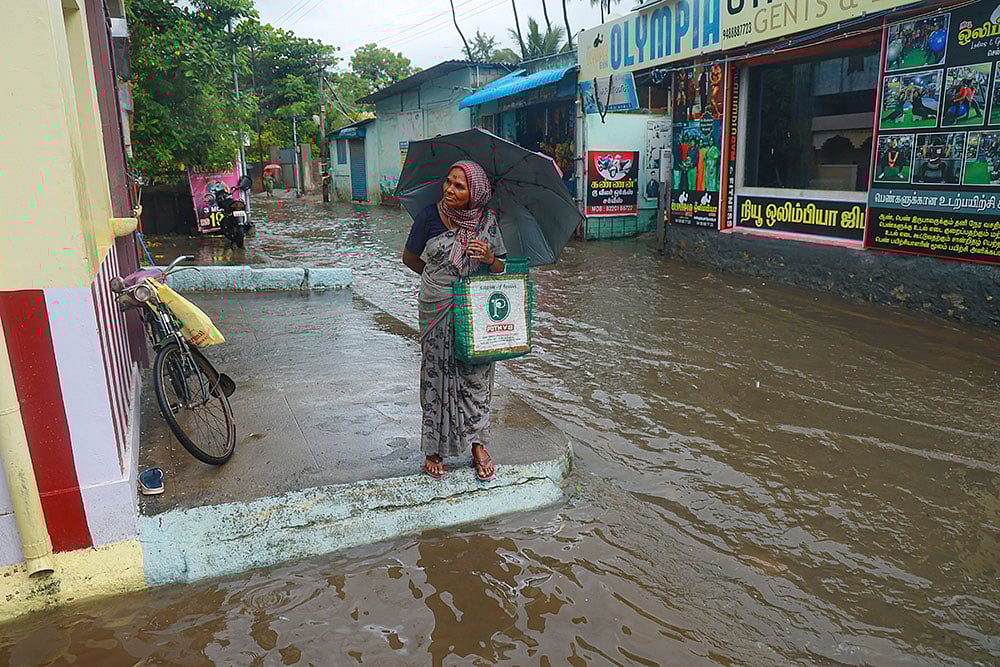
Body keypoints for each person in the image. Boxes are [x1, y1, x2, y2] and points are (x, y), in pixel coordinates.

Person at [401, 160, 507, 482]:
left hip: (472, 307)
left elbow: (501, 268)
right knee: (436, 376)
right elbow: (409, 258)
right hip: (436, 306)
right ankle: (434, 448)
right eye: (448, 182)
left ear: (475, 192)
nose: (449, 189)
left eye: (459, 186)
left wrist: (488, 257)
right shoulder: (428, 217)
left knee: (476, 376)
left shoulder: (487, 222)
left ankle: (477, 444)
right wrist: (438, 282)